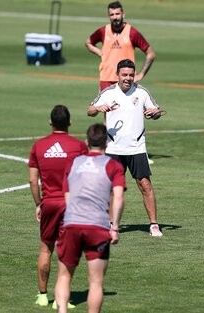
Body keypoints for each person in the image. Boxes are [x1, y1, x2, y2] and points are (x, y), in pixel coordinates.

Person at [87, 58, 164, 237]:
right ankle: (112, 224)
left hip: (137, 147)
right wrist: (99, 108)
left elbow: (157, 111)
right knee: (112, 188)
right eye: (124, 75)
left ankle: (153, 224)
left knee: (145, 185)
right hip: (113, 148)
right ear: (117, 75)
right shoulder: (108, 92)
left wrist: (155, 113)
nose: (128, 78)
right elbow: (89, 110)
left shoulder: (142, 92)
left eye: (131, 75)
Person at [55, 123, 126, 313]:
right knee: (96, 282)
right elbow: (118, 197)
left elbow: (67, 197)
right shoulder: (113, 166)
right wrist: (115, 227)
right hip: (97, 227)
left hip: (72, 224)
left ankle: (62, 310)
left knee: (64, 276)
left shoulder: (73, 163)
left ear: (87, 142)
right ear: (107, 144)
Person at [28, 105, 87, 307]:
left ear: (50, 122)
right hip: (70, 205)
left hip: (49, 203)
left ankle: (43, 296)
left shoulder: (39, 146)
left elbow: (32, 181)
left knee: (46, 249)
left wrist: (39, 204)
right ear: (70, 122)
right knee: (66, 252)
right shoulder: (79, 147)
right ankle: (61, 300)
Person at [85, 1, 156, 92]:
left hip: (125, 81)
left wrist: (141, 74)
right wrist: (100, 53)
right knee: (104, 106)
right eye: (112, 14)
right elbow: (88, 42)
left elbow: (151, 54)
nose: (115, 17)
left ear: (123, 14)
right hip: (106, 80)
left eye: (117, 14)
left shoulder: (132, 32)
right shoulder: (103, 31)